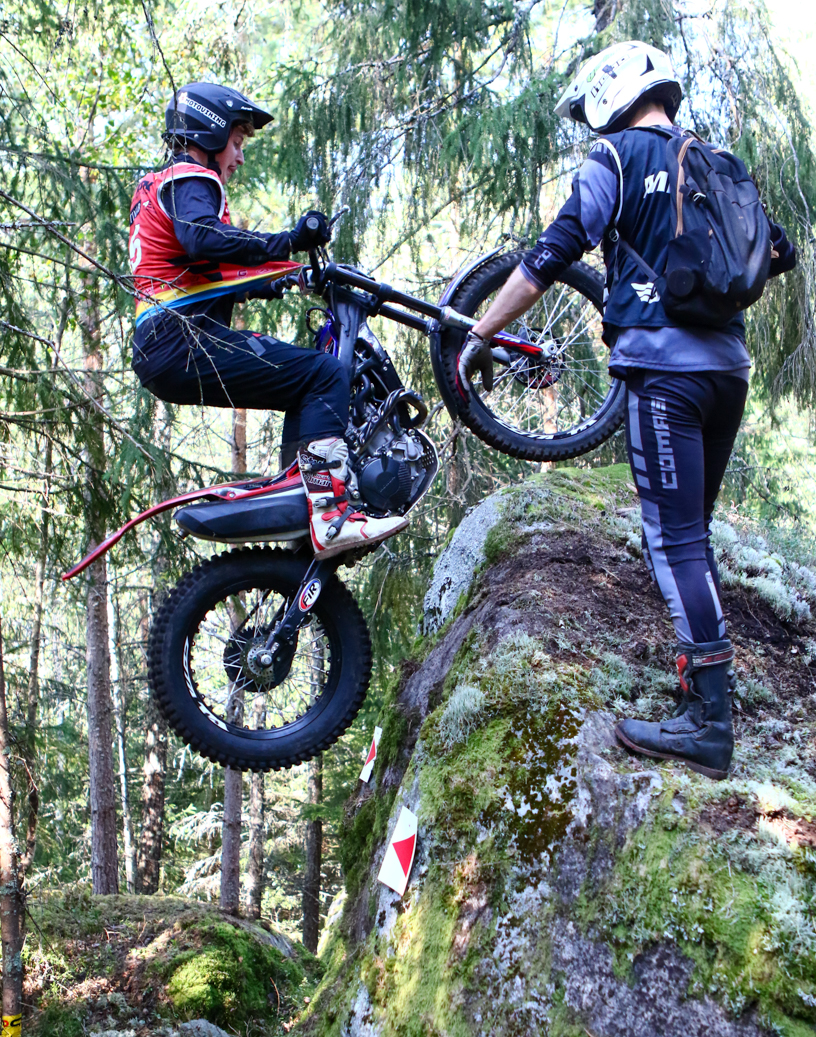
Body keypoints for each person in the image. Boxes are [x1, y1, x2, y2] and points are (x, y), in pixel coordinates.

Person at [458, 41, 796, 780]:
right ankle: (702, 694)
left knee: (673, 541)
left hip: (664, 373)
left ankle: (710, 724)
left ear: (610, 95)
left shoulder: (614, 157)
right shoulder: (714, 158)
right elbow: (780, 251)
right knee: (692, 535)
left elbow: (554, 252)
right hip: (727, 372)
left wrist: (482, 332)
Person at [128, 81, 407, 557]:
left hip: (168, 342)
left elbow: (205, 266)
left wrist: (281, 278)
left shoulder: (162, 188)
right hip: (180, 340)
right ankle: (329, 512)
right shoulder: (190, 178)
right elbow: (202, 238)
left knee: (303, 382)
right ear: (210, 133)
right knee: (324, 374)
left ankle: (305, 504)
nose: (239, 158)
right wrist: (287, 241)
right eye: (237, 142)